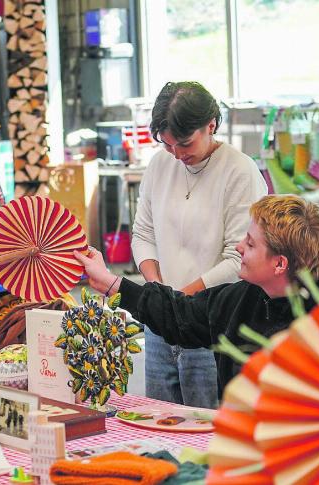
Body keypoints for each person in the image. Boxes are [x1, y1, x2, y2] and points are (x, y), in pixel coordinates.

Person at [77, 195, 319, 396]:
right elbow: (181, 314)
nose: (238, 247)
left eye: (250, 244)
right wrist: (111, 282)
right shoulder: (245, 296)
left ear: (279, 264)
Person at [131, 81, 267, 407]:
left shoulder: (240, 171)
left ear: (211, 125)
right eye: (167, 146)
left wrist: (179, 302)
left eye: (185, 143)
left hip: (211, 323)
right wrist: (158, 293)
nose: (178, 155)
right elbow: (143, 235)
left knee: (205, 432)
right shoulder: (160, 165)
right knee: (158, 424)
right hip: (160, 324)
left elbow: (239, 259)